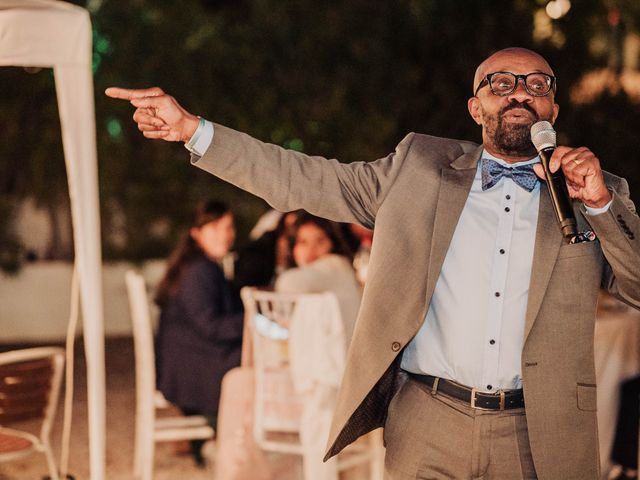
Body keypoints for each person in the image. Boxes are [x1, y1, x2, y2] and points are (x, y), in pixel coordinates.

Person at [107, 47, 640, 479]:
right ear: (475, 108)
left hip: (540, 433)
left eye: (537, 84)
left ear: (553, 111)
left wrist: (599, 205)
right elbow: (303, 178)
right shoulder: (418, 168)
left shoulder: (596, 191)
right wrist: (195, 131)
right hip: (430, 423)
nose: (520, 91)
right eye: (501, 83)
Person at [154, 200, 243, 466]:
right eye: (214, 227)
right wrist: (253, 321)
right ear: (196, 233)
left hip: (189, 358)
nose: (224, 234)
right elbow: (211, 325)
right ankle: (236, 447)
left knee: (251, 357)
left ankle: (216, 443)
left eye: (228, 227)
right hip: (189, 367)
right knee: (252, 365)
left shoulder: (203, 265)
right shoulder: (198, 270)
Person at [275, 212, 362, 343]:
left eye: (320, 241)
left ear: (332, 243)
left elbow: (287, 283)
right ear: (293, 247)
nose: (311, 250)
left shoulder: (335, 265)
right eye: (303, 242)